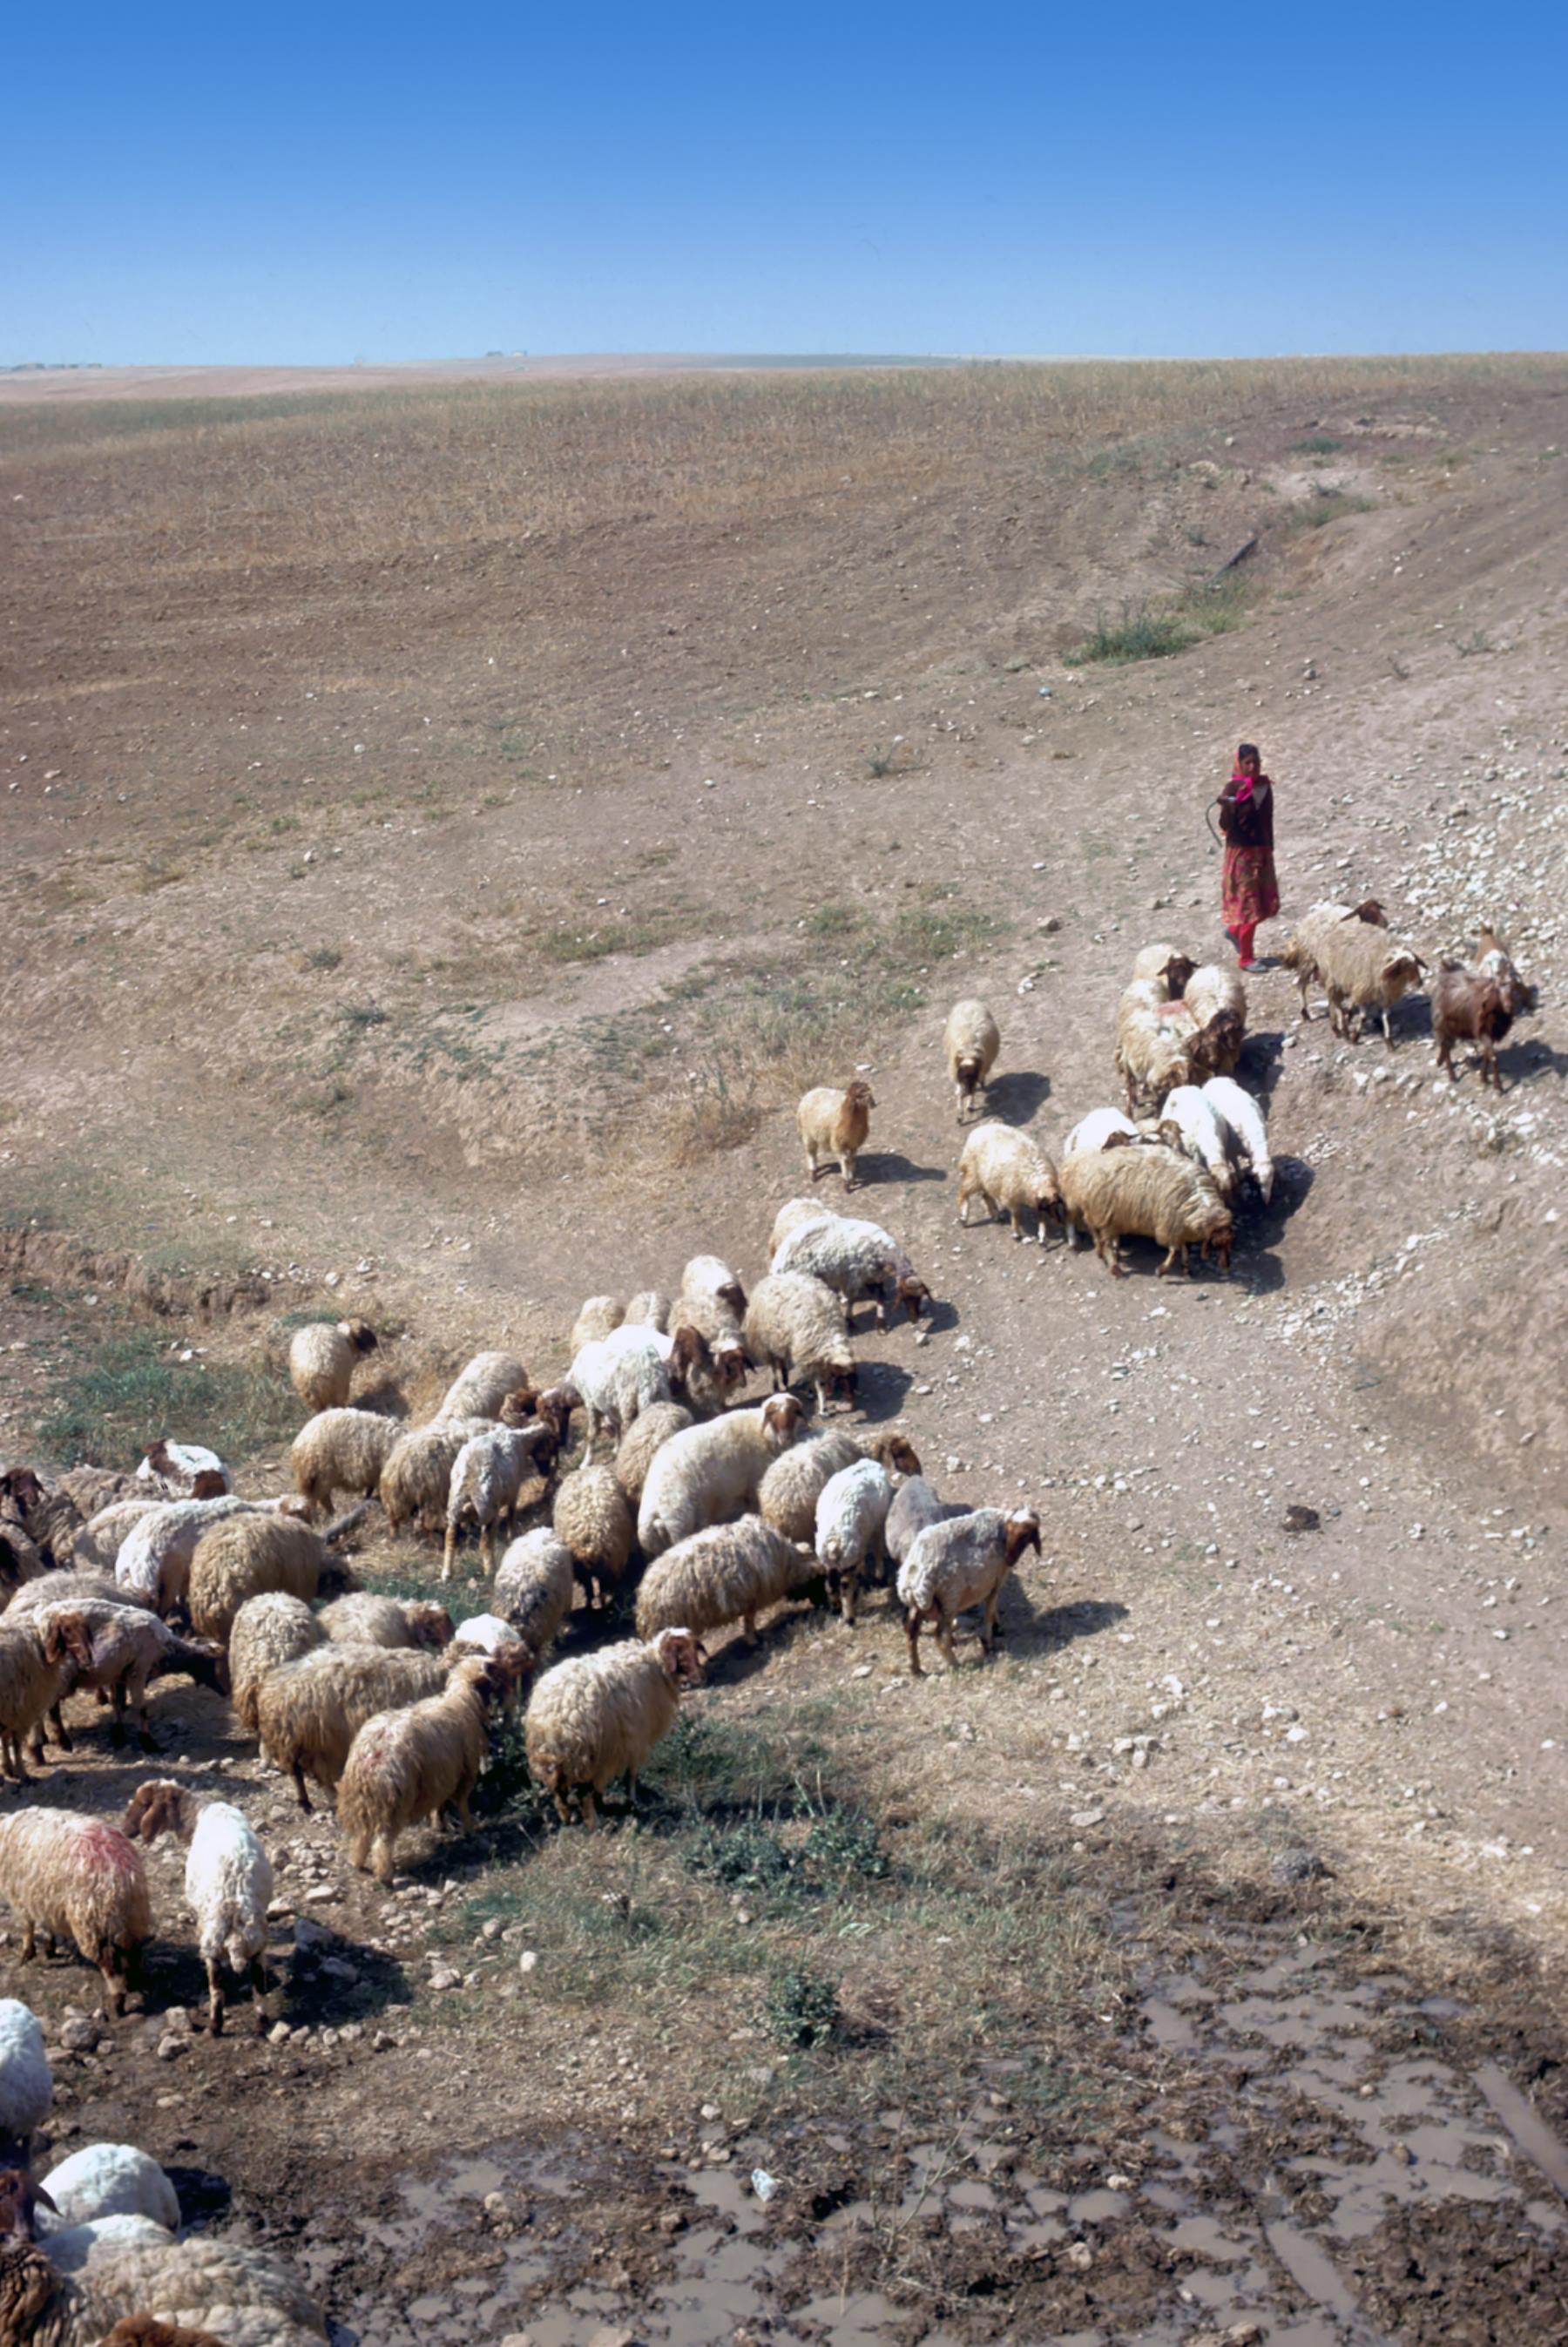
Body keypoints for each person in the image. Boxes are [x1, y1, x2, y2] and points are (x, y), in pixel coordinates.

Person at [1216, 742, 1279, 971]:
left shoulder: (1264, 787)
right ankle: (1246, 958)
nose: (1252, 767)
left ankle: (1234, 932)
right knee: (1249, 906)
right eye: (1247, 763)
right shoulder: (1233, 788)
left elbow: (1268, 818)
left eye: (1256, 762)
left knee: (1262, 903)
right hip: (1242, 854)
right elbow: (1225, 825)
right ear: (1239, 764)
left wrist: (1269, 849)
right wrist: (1227, 807)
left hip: (1261, 852)